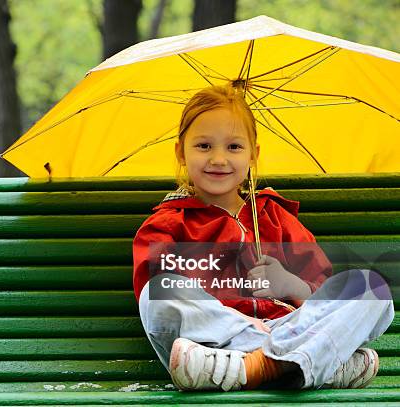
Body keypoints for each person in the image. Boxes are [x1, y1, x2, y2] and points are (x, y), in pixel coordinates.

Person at [132, 85, 394, 391]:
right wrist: (235, 317)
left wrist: (289, 285)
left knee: (371, 288)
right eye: (204, 146)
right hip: (215, 346)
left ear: (254, 155)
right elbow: (159, 296)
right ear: (180, 151)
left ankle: (261, 365)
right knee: (159, 291)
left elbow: (321, 296)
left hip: (288, 327)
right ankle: (307, 361)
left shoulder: (274, 217)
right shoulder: (167, 224)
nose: (218, 158)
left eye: (234, 147)